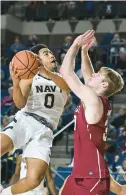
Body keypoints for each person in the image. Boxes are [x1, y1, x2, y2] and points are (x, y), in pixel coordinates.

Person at [59, 30, 126, 195]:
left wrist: (75, 45)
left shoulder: (93, 100)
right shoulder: (96, 99)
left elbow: (66, 72)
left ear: (104, 85)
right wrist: (84, 51)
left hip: (91, 177)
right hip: (82, 172)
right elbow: (88, 73)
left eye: (99, 75)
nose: (93, 74)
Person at [0, 44, 70, 195]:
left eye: (51, 52)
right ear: (36, 59)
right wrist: (16, 83)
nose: (52, 55)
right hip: (27, 120)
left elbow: (67, 88)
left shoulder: (63, 78)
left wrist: (46, 72)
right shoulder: (30, 77)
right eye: (46, 53)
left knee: (34, 179)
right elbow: (20, 104)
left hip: (45, 129)